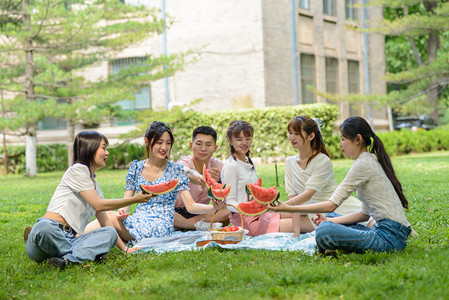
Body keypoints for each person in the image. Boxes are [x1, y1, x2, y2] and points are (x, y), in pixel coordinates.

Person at [268, 116, 412, 254]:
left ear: (358, 140)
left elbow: (331, 204)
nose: (340, 144)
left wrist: (289, 208)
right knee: (328, 219)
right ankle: (335, 236)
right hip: (385, 231)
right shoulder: (367, 160)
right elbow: (363, 214)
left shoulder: (363, 164)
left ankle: (334, 240)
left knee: (325, 231)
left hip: (390, 237)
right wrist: (330, 220)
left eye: (343, 139)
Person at [25, 131, 153, 269]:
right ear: (90, 148)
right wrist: (134, 199)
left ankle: (65, 260)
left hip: (71, 238)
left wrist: (125, 249)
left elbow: (105, 221)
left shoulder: (95, 187)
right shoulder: (77, 170)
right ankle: (80, 255)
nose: (107, 153)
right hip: (51, 231)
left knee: (109, 234)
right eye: (103, 148)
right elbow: (98, 205)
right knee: (45, 228)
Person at [85, 121, 224, 246]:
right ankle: (77, 237)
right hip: (137, 220)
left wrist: (212, 208)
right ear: (147, 141)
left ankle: (80, 238)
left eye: (168, 143)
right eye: (159, 142)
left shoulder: (176, 170)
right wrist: (122, 213)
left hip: (161, 225)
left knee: (107, 216)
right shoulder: (136, 167)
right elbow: (126, 203)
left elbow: (191, 206)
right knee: (104, 219)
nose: (164, 147)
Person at [284, 116, 368, 237]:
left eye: (296, 133)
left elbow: (307, 195)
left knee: (272, 222)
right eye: (290, 133)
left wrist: (283, 206)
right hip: (313, 214)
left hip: (336, 210)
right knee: (269, 218)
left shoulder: (322, 161)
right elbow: (294, 198)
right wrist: (296, 234)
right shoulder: (290, 162)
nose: (291, 137)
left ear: (311, 136)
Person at [221, 120, 295, 236]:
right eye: (239, 139)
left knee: (300, 213)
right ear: (230, 140)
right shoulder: (232, 166)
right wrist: (246, 209)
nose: (244, 143)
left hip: (260, 213)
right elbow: (230, 201)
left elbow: (254, 192)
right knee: (302, 222)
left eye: (248, 138)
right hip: (245, 222)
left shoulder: (249, 162)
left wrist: (261, 205)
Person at [173, 126, 229, 230]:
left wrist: (218, 184)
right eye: (198, 144)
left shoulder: (219, 166)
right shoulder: (183, 163)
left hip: (202, 211)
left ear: (215, 148)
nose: (203, 148)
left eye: (208, 145)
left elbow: (224, 200)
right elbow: (186, 172)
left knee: (229, 211)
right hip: (177, 211)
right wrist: (200, 177)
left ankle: (185, 225)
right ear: (191, 145)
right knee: (166, 213)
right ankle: (194, 225)